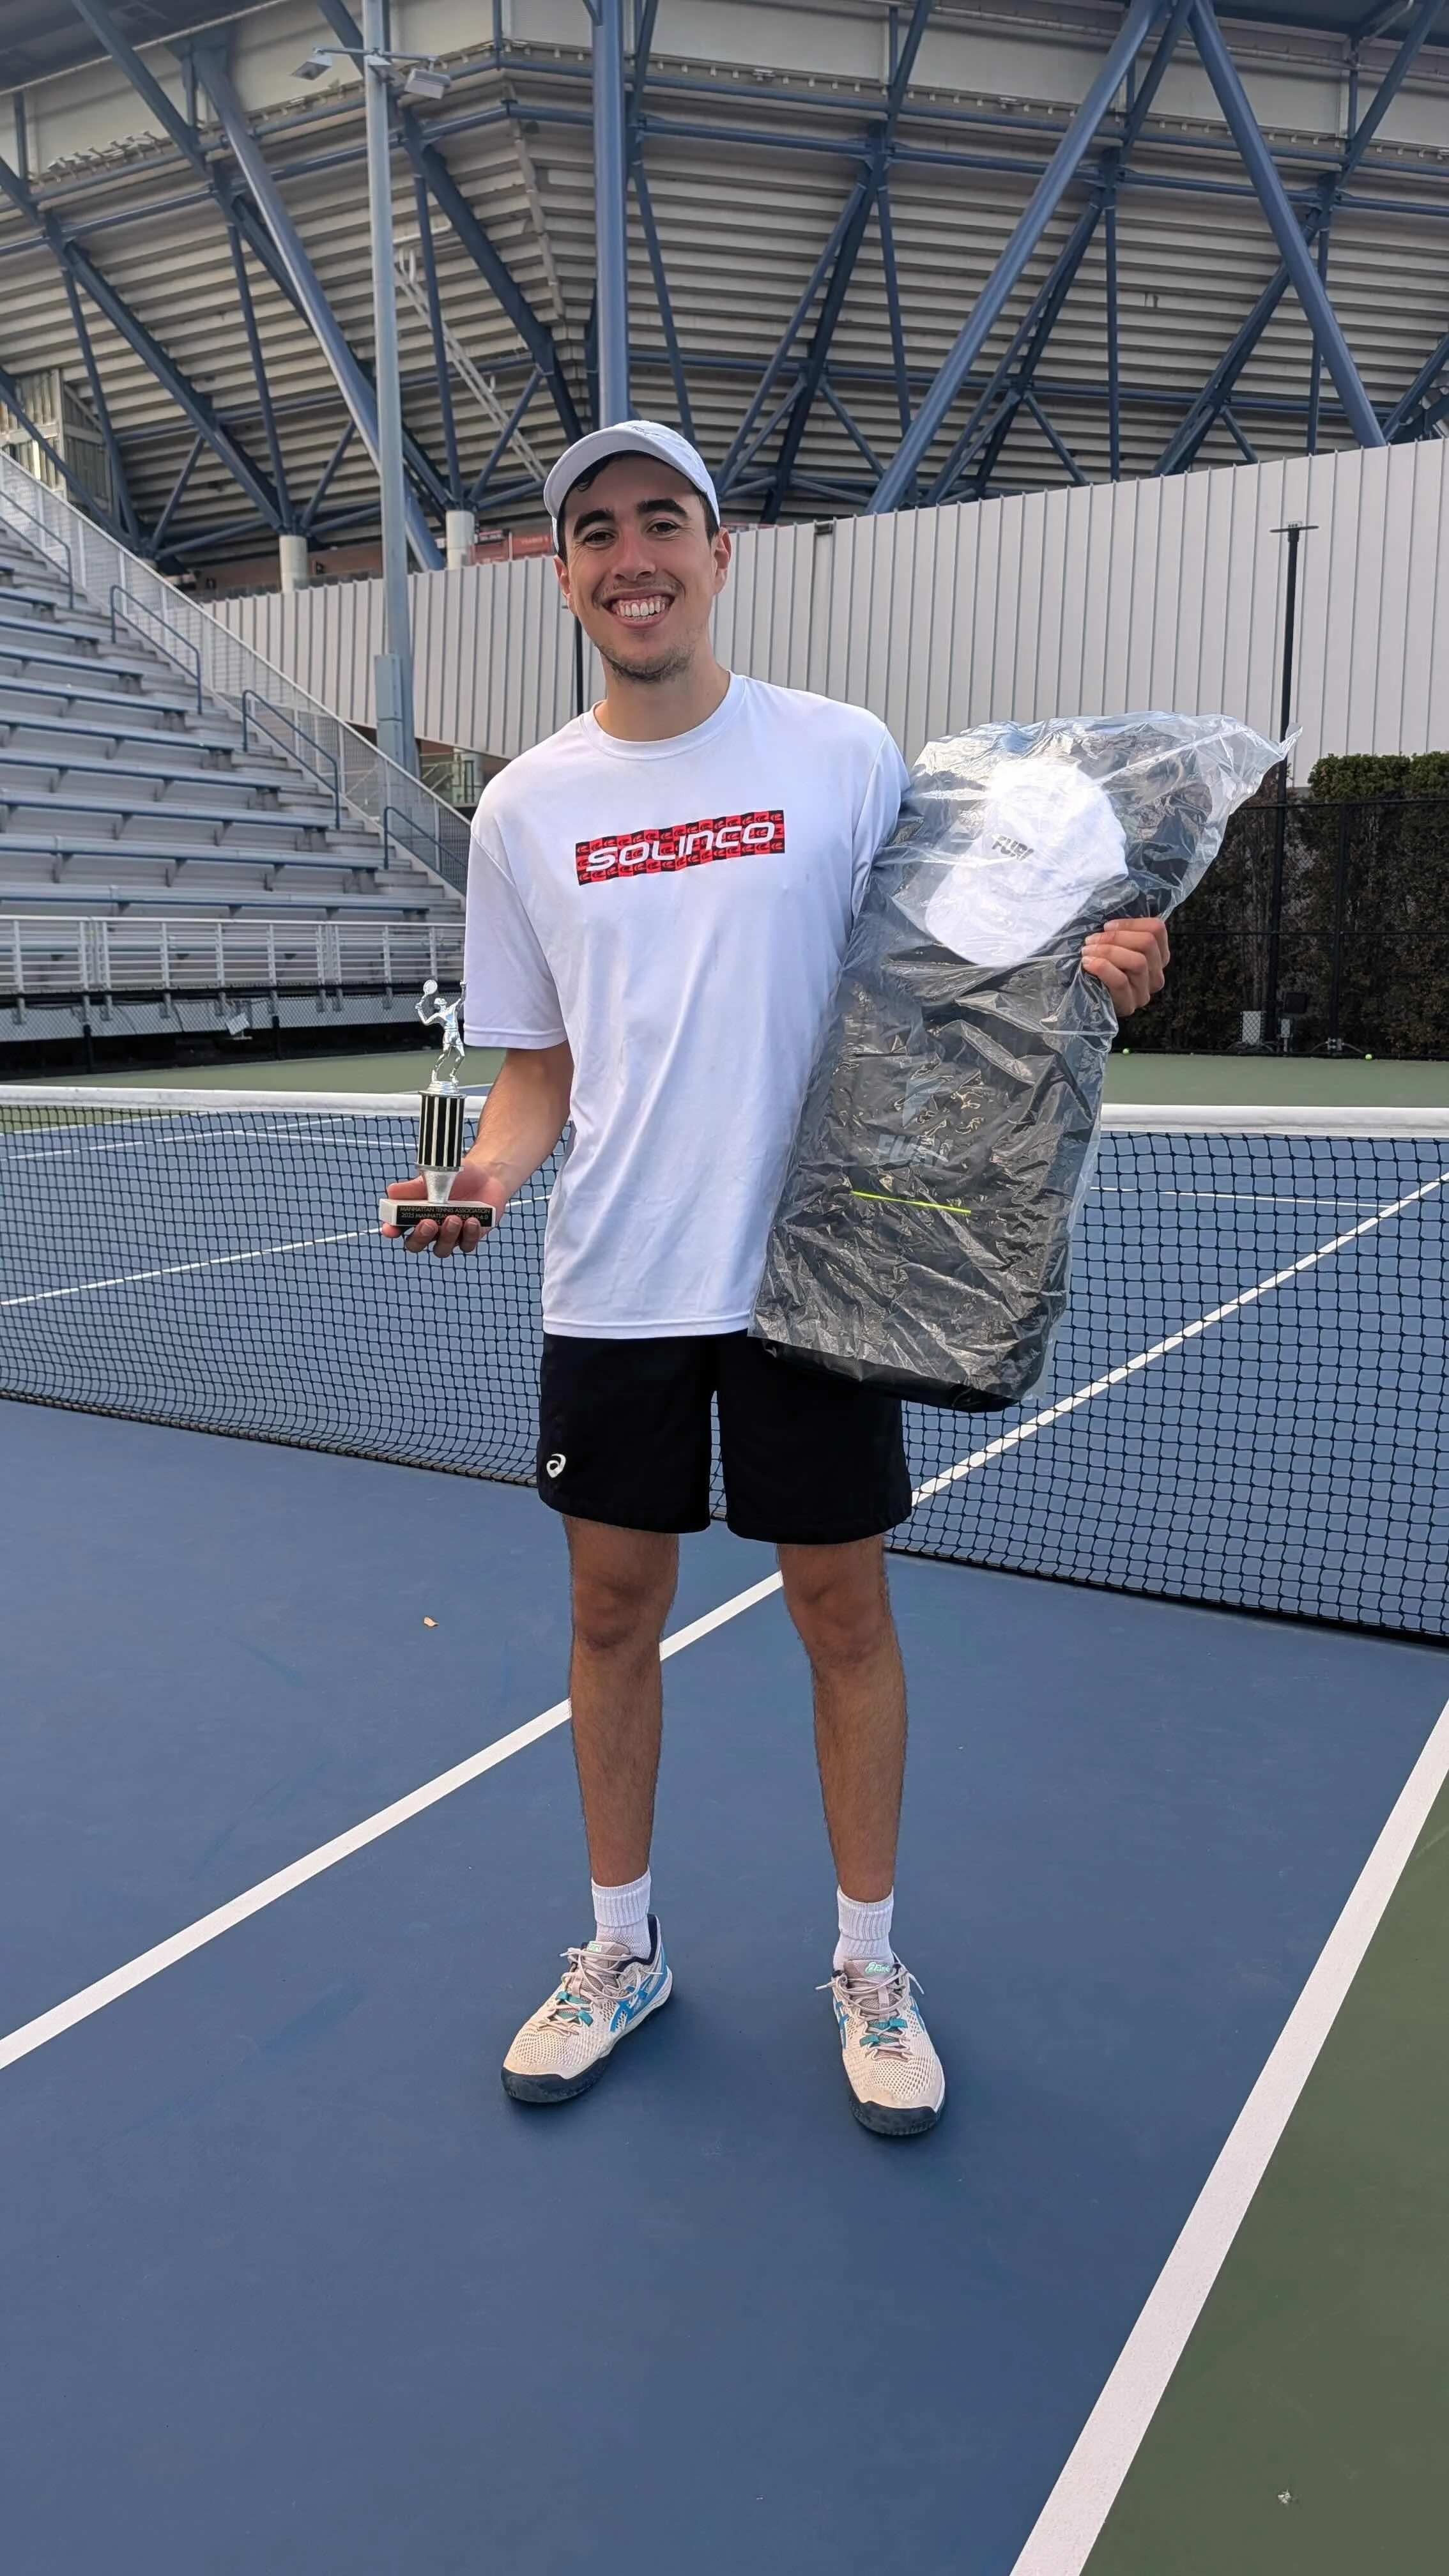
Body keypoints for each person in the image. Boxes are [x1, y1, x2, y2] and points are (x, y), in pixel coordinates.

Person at [387, 421, 1169, 2138]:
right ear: (566, 573)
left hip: (825, 1281)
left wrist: (1095, 963)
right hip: (616, 1288)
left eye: (658, 519)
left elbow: (953, 968)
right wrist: (482, 1182)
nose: (628, 553)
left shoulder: (840, 756)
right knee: (610, 1616)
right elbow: (536, 1071)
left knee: (840, 1615)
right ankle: (619, 1949)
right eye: (593, 529)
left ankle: (869, 1965)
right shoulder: (524, 808)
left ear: (715, 550)